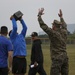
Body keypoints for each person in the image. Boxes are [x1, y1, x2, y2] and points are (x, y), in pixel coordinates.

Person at [37, 8, 69, 75]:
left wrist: (39, 16)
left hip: (57, 58)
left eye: (52, 25)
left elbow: (43, 26)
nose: (52, 26)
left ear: (54, 26)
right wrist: (61, 17)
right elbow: (64, 26)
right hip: (65, 57)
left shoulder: (53, 33)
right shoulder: (64, 32)